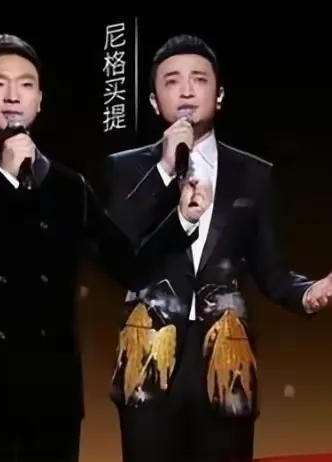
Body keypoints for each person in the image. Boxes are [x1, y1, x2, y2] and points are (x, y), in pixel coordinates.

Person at [0, 33, 203, 462]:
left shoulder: (68, 186)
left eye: (26, 84)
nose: (13, 96)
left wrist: (182, 220)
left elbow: (129, 266)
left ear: (40, 100)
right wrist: (3, 180)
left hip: (53, 399)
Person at [101, 33, 332, 462]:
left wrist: (308, 293)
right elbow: (118, 252)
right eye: (172, 81)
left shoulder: (253, 174)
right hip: (148, 358)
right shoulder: (126, 168)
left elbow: (271, 270)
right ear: (153, 101)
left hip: (226, 360)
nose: (187, 91)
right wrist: (165, 168)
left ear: (219, 95)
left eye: (199, 79)